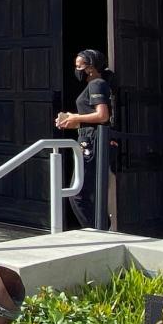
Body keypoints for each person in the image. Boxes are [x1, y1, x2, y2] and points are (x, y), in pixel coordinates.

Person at [55, 49, 113, 229]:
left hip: (92, 143)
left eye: (79, 66)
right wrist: (72, 121)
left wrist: (76, 118)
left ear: (91, 67)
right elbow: (93, 118)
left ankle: (99, 231)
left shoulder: (97, 84)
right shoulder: (93, 85)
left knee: (78, 193)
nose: (77, 69)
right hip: (87, 138)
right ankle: (100, 227)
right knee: (84, 191)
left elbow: (102, 116)